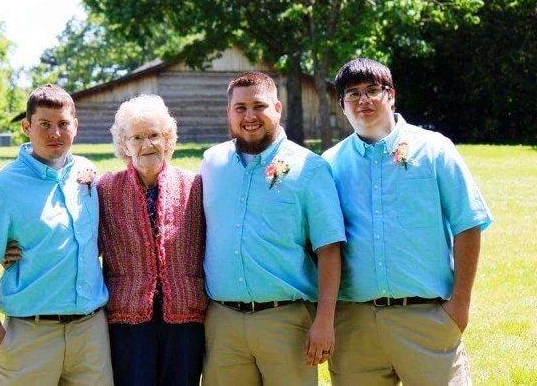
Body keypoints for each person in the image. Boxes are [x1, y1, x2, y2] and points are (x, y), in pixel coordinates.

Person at [322, 58, 493, 385]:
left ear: (391, 95)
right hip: (354, 325)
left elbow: (468, 224)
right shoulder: (329, 165)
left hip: (426, 318)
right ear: (341, 105)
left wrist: (459, 306)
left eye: (373, 90)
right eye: (353, 94)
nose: (363, 100)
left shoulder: (434, 150)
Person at [0, 84, 113, 385]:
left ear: (75, 126)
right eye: (44, 124)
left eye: (63, 124)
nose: (55, 133)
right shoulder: (1, 187)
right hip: (31, 336)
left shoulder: (86, 171)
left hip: (91, 335)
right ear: (26, 127)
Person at [200, 71, 346, 385]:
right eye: (240, 108)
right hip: (222, 323)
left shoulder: (310, 168)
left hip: (286, 322)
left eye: (259, 106)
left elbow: (330, 251)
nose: (249, 116)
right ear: (229, 112)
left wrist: (324, 321)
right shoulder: (211, 163)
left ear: (278, 109)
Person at [98, 94, 207, 385]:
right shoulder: (105, 190)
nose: (147, 144)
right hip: (127, 317)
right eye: (137, 138)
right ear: (124, 144)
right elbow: (82, 242)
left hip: (185, 316)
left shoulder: (194, 185)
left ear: (167, 139)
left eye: (154, 135)